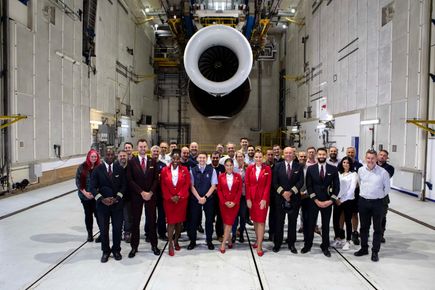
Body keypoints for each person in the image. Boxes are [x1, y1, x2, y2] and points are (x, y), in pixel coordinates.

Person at [90, 148, 126, 263]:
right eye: (108, 154)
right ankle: (105, 251)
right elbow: (92, 188)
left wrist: (117, 198)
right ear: (104, 155)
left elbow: (124, 186)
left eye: (112, 154)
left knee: (117, 229)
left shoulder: (119, 169)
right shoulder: (97, 170)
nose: (110, 156)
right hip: (102, 206)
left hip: (117, 205)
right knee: (104, 230)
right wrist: (101, 199)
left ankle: (116, 250)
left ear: (114, 156)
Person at [127, 139, 161, 258]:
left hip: (150, 196)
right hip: (137, 196)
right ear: (137, 148)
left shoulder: (153, 161)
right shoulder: (132, 162)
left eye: (144, 146)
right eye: (140, 146)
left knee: (152, 221)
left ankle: (154, 245)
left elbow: (156, 179)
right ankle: (134, 247)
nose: (142, 148)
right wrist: (141, 192)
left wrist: (150, 192)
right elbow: (130, 180)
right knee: (135, 222)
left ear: (147, 147)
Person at [354, 150, 390, 262]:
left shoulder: (383, 172)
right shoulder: (360, 170)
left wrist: (377, 196)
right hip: (363, 202)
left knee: (377, 228)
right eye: (368, 158)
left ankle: (375, 251)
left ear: (376, 159)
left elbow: (387, 189)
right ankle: (364, 248)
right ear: (365, 158)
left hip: (377, 203)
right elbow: (359, 183)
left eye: (372, 158)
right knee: (364, 227)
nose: (370, 160)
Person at [304, 148, 340, 257]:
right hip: (313, 202)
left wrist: (330, 201)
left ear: (327, 155)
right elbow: (309, 186)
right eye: (319, 154)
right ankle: (308, 245)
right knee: (310, 224)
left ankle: (325, 246)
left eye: (324, 154)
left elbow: (337, 187)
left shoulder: (333, 169)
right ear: (316, 155)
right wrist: (316, 200)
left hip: (327, 202)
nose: (321, 156)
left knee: (325, 225)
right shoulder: (311, 169)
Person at [272, 147, 304, 253]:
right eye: (286, 153)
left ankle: (291, 244)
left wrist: (290, 192)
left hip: (294, 199)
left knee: (292, 222)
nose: (288, 154)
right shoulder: (277, 166)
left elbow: (300, 182)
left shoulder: (298, 166)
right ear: (283, 154)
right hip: (280, 199)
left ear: (294, 154)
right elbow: (275, 182)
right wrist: (283, 193)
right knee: (279, 222)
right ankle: (277, 243)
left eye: (290, 153)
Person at [160, 149, 191, 256]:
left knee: (179, 223)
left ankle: (176, 240)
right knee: (171, 222)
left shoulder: (185, 170)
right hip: (169, 201)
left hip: (181, 200)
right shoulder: (164, 170)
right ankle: (170, 244)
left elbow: (187, 184)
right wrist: (170, 197)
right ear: (171, 159)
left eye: (178, 159)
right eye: (174, 158)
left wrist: (179, 196)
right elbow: (163, 185)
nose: (176, 161)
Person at [187, 151, 218, 250]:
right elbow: (191, 186)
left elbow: (213, 186)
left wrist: (205, 198)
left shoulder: (211, 170)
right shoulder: (193, 170)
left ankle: (209, 240)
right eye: (200, 158)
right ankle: (192, 241)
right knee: (194, 221)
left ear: (207, 158)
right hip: (195, 199)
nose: (202, 159)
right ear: (197, 159)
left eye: (204, 158)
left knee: (209, 221)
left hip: (208, 200)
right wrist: (198, 198)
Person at [245, 150, 272, 256]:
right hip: (252, 198)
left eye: (260, 157)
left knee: (261, 221)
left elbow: (268, 185)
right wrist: (248, 199)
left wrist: (264, 199)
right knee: (255, 220)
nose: (258, 159)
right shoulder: (249, 168)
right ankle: (257, 240)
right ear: (254, 158)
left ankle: (260, 245)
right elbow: (247, 184)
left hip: (262, 199)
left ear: (263, 158)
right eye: (256, 157)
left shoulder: (267, 169)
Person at [339, 146, 363, 246]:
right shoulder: (341, 164)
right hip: (342, 194)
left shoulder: (359, 165)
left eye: (352, 152)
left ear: (355, 153)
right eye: (349, 152)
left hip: (354, 195)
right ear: (346, 153)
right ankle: (340, 232)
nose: (350, 154)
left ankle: (354, 233)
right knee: (342, 213)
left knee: (354, 214)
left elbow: (360, 179)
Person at [217, 158, 243, 253]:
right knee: (226, 222)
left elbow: (239, 190)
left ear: (233, 166)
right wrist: (224, 201)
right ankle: (230, 239)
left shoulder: (238, 176)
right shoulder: (220, 177)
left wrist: (234, 202)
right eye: (227, 165)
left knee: (229, 223)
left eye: (230, 165)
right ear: (225, 166)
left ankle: (223, 243)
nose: (229, 167)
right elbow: (219, 190)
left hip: (234, 204)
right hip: (224, 204)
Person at [75, 149, 101, 242]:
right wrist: (85, 193)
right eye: (92, 156)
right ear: (88, 157)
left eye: (95, 157)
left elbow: (102, 181)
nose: (94, 158)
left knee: (98, 215)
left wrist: (95, 193)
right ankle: (90, 234)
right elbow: (78, 181)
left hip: (97, 196)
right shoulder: (82, 167)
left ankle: (102, 233)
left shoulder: (99, 167)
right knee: (88, 215)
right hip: (85, 196)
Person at [332, 157, 358, 250]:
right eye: (344, 162)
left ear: (350, 164)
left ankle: (348, 240)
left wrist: (341, 200)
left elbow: (352, 189)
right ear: (341, 163)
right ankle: (338, 238)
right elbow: (334, 186)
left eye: (347, 162)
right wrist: (336, 198)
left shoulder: (353, 174)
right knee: (335, 220)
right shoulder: (338, 173)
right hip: (337, 200)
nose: (345, 164)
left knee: (348, 220)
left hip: (348, 200)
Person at [147, 145, 168, 241]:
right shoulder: (147, 164)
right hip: (150, 194)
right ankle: (149, 233)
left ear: (159, 153)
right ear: (151, 153)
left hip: (161, 194)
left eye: (157, 151)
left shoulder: (163, 165)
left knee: (162, 215)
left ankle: (162, 233)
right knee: (150, 215)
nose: (155, 153)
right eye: (154, 151)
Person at [377, 149, 394, 243]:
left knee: (382, 217)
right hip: (370, 195)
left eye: (384, 155)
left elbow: (384, 179)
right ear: (378, 156)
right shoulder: (371, 164)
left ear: (387, 158)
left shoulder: (390, 168)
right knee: (367, 216)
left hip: (383, 197)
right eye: (381, 155)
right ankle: (365, 234)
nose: (382, 156)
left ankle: (381, 234)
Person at [232, 151, 248, 243]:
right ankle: (234, 234)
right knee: (234, 216)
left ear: (243, 157)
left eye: (241, 156)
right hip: (235, 196)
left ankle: (241, 232)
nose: (240, 158)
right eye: (238, 156)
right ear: (236, 158)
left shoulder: (248, 168)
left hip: (244, 195)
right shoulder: (233, 168)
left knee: (243, 216)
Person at [117, 150, 132, 243]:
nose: (122, 157)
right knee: (118, 217)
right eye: (121, 156)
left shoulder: (131, 167)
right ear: (118, 157)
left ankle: (127, 232)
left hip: (128, 197)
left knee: (128, 217)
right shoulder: (115, 167)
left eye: (124, 155)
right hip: (117, 198)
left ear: (127, 156)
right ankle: (118, 232)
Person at [211, 151, 225, 242]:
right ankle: (209, 234)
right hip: (210, 197)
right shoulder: (208, 167)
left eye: (217, 157)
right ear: (211, 158)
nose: (215, 159)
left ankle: (219, 234)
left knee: (220, 217)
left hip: (220, 197)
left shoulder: (222, 168)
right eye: (214, 157)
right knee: (210, 217)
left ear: (219, 158)